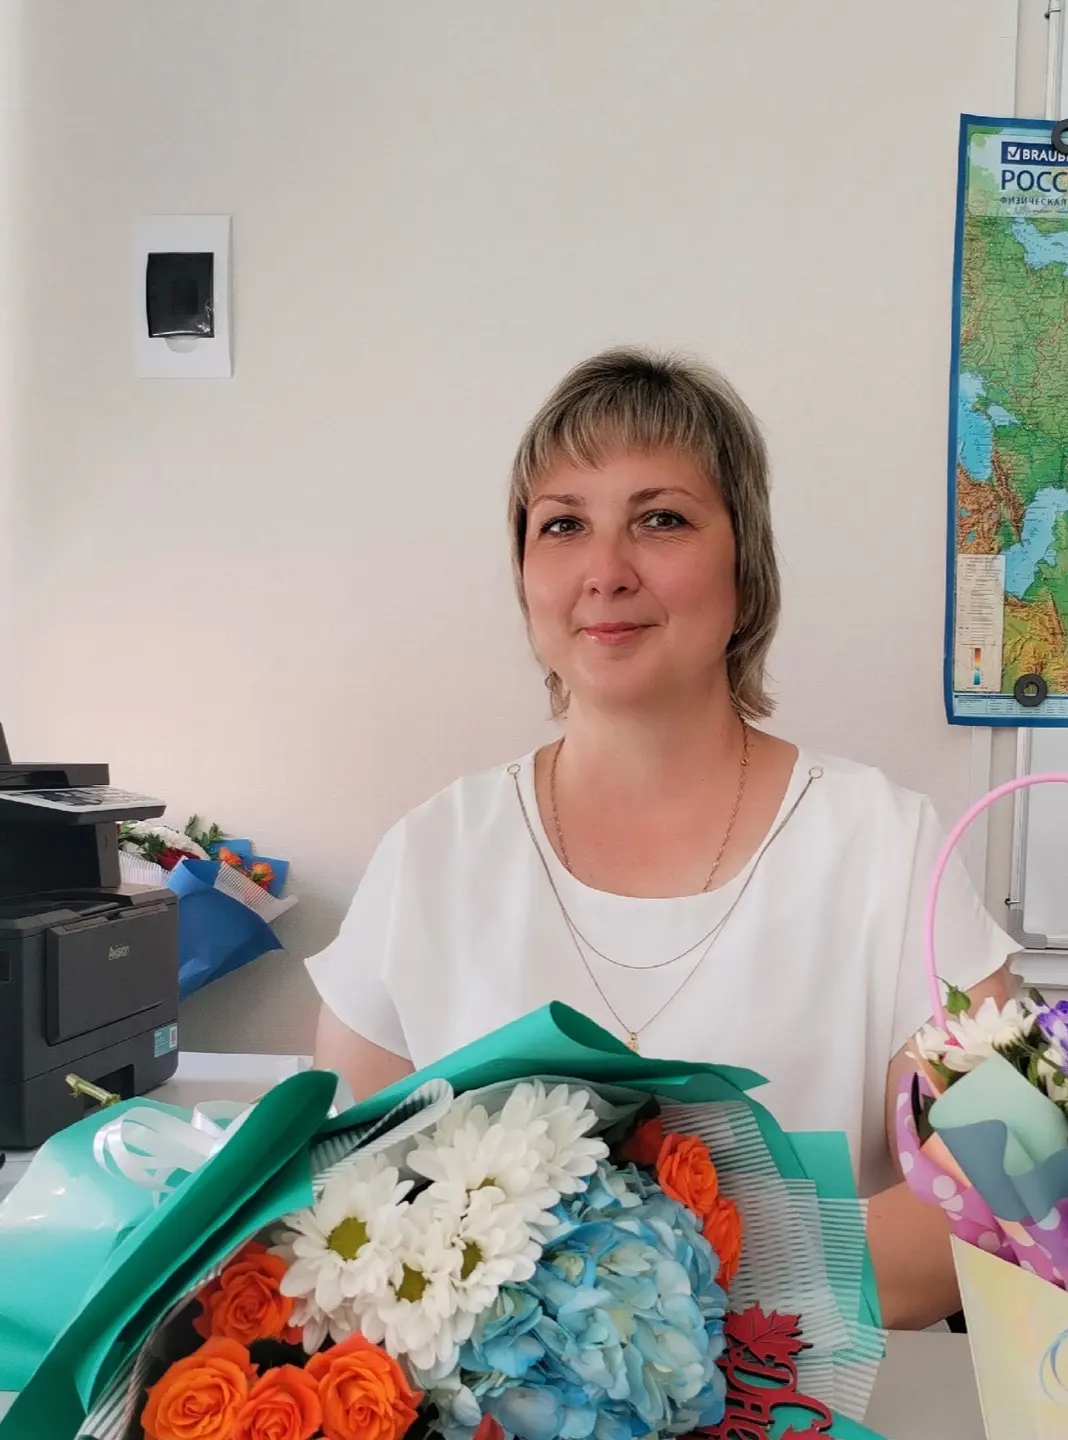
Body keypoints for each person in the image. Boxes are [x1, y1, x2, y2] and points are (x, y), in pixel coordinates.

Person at [308, 347, 1015, 1326]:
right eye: (563, 525)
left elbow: (986, 1202)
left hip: (815, 1410)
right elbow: (341, 1223)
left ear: (746, 568)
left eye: (661, 519)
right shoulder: (430, 858)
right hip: (491, 1422)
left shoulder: (884, 847)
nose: (606, 572)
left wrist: (644, 1291)